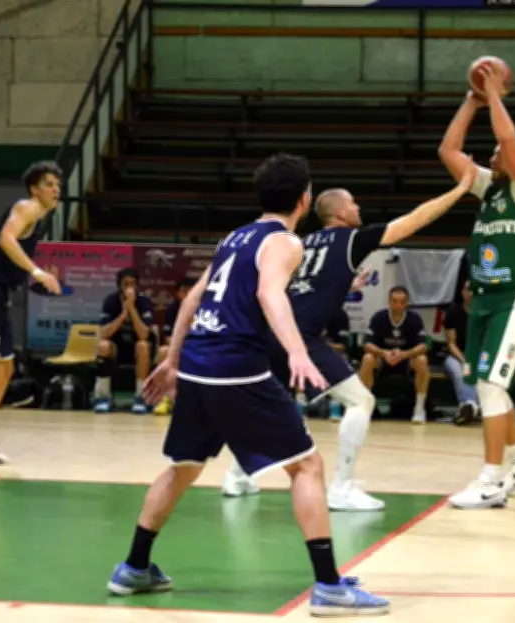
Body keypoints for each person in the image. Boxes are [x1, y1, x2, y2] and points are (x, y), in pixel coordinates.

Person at [105, 153, 389, 616]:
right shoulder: (285, 242)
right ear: (304, 199)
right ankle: (329, 587)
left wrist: (173, 358)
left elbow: (193, 300)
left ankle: (134, 567)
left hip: (197, 363)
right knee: (307, 466)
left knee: (183, 466)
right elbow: (269, 293)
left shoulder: (234, 237)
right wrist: (297, 351)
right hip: (235, 365)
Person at [221, 166, 476, 511]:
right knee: (361, 402)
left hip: (271, 334)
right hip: (301, 337)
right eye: (353, 203)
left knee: (271, 407)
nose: (358, 208)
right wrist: (459, 191)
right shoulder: (352, 239)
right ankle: (341, 489)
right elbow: (414, 220)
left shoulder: (303, 242)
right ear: (340, 212)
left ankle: (236, 475)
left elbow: (297, 287)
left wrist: (345, 284)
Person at [438, 63, 515, 510]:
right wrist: (473, 100)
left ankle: (490, 480)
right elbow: (449, 150)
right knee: (489, 385)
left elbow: (507, 138)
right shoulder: (490, 189)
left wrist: (496, 93)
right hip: (485, 301)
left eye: (500, 153)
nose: (493, 156)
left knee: (490, 387)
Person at [0, 161, 63, 468]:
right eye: (49, 184)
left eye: (58, 184)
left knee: (3, 369)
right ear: (34, 189)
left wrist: (36, 277)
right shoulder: (27, 207)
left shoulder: (38, 218)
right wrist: (37, 272)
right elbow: (6, 238)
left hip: (0, 292)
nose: (56, 189)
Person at [359, 286, 430, 425]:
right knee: (367, 358)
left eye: (402, 302)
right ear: (389, 302)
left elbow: (423, 346)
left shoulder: (414, 319)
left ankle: (419, 408)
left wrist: (404, 354)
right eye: (395, 301)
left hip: (405, 358)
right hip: (383, 358)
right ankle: (364, 406)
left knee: (422, 360)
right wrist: (384, 353)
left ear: (407, 303)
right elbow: (367, 344)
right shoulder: (379, 317)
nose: (398, 305)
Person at [94, 268, 157, 414]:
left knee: (142, 346)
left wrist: (132, 309)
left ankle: (141, 397)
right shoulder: (111, 301)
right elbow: (104, 333)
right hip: (118, 347)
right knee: (103, 346)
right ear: (119, 285)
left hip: (138, 349)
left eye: (133, 284)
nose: (129, 287)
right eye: (126, 284)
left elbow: (143, 335)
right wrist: (123, 314)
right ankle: (103, 397)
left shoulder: (144, 302)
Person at [153, 276, 197, 416]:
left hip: (200, 348)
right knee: (163, 351)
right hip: (180, 348)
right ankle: (164, 399)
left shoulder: (206, 308)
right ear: (178, 294)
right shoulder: (173, 310)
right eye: (184, 291)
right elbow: (168, 339)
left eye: (192, 290)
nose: (188, 294)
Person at [443, 279, 480, 425]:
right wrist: (464, 360)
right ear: (462, 292)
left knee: (479, 373)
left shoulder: (483, 313)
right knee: (461, 372)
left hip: (479, 355)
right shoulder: (453, 313)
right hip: (456, 356)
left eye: (473, 290)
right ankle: (470, 405)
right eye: (468, 290)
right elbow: (451, 344)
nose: (470, 293)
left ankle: (469, 407)